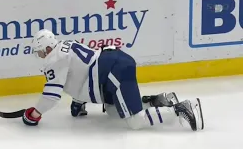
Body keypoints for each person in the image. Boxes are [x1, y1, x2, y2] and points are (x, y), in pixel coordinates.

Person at [22, 29, 204, 131]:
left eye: (39, 52)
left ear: (46, 49)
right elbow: (81, 72)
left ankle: (180, 109)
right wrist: (79, 102)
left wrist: (34, 114)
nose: (40, 56)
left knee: (134, 122)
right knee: (113, 112)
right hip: (110, 68)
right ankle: (159, 100)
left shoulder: (54, 59)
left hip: (111, 72)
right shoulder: (65, 46)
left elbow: (52, 95)